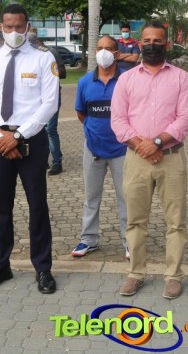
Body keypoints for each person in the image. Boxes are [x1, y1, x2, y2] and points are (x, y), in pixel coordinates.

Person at [0, 4, 59, 294]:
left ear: (27, 26)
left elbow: (50, 104)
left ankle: (43, 268)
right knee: (1, 206)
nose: (14, 32)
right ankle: (0, 266)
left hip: (31, 140)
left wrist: (19, 136)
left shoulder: (43, 59)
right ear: (1, 27)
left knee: (37, 205)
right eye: (8, 27)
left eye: (19, 26)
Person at [111, 21, 188, 300]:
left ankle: (173, 276)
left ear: (166, 44)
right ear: (139, 43)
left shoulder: (181, 78)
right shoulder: (126, 79)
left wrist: (157, 142)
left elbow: (185, 118)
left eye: (157, 41)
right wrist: (143, 146)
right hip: (136, 159)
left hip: (171, 159)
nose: (151, 45)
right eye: (146, 41)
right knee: (136, 220)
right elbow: (118, 121)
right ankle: (135, 273)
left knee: (176, 221)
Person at [71, 36, 129, 259]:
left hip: (122, 149)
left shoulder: (126, 80)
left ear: (117, 53)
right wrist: (92, 131)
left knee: (126, 197)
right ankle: (88, 239)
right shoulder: (85, 82)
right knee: (91, 196)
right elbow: (81, 113)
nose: (103, 53)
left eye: (108, 48)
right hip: (93, 148)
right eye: (99, 48)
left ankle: (129, 241)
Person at [28, 27, 67, 176]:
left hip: (51, 97)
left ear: (37, 42)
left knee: (50, 129)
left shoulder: (50, 52)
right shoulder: (28, 56)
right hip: (34, 98)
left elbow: (63, 73)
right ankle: (42, 159)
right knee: (37, 129)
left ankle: (57, 162)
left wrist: (49, 72)